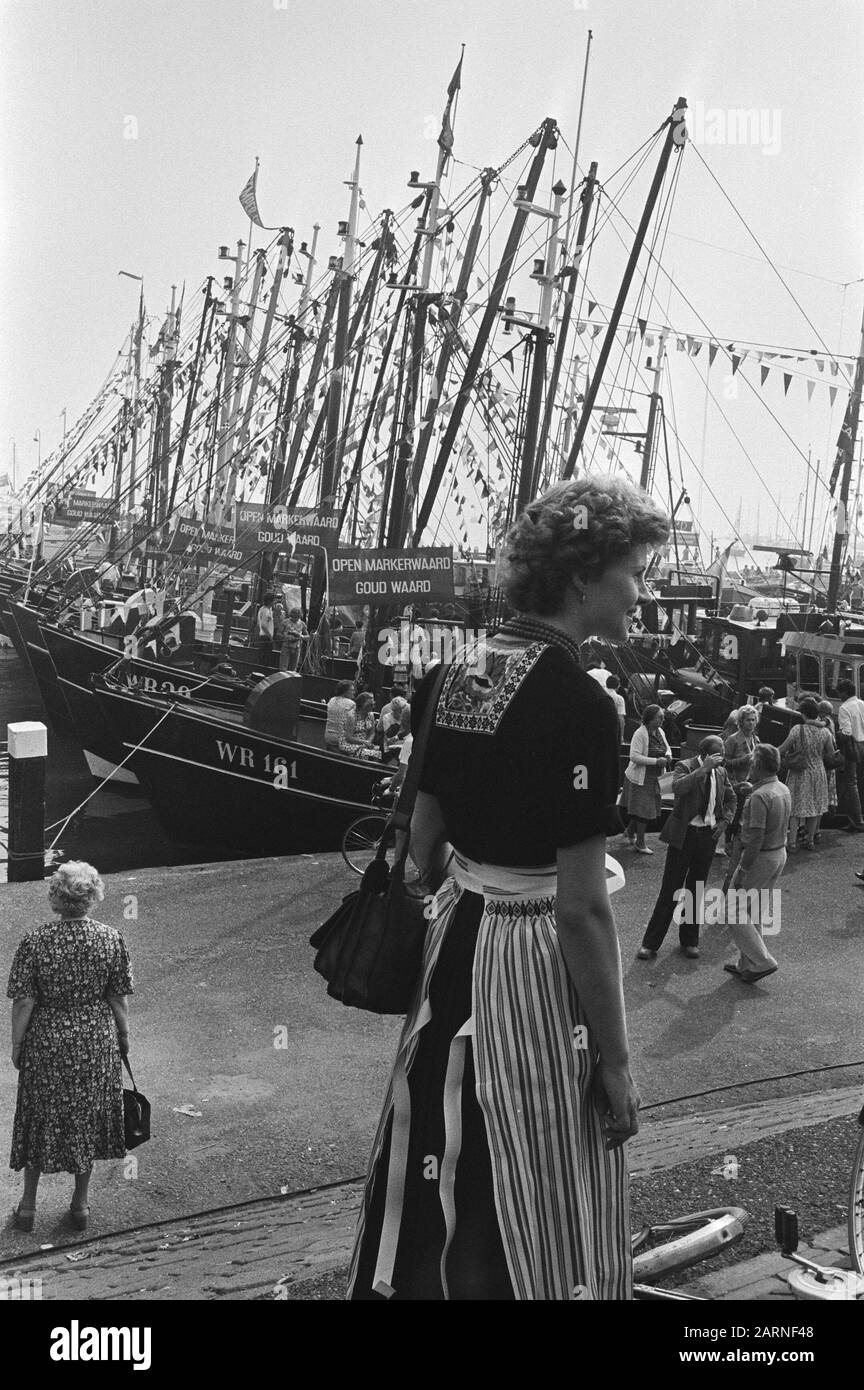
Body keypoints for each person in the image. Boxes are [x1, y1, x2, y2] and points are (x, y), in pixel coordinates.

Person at [349, 473, 669, 1301]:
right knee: (539, 1155)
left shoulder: (450, 675)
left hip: (453, 944)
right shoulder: (581, 705)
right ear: (581, 576)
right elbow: (583, 908)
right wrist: (619, 1062)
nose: (642, 590)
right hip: (528, 960)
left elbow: (424, 847)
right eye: (633, 570)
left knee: (435, 1135)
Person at [7, 862, 133, 1233]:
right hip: (95, 1039)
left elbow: (24, 1002)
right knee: (86, 1118)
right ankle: (79, 1206)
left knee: (39, 1114)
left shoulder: (36, 941)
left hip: (47, 1039)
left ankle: (28, 1206)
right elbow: (117, 997)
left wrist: (17, 1043)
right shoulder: (111, 939)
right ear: (93, 897)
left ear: (55, 897)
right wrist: (122, 1038)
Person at [637, 735, 736, 961]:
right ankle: (650, 943)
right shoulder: (686, 766)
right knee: (670, 888)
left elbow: (731, 799)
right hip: (685, 835)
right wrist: (703, 770)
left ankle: (689, 940)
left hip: (707, 836)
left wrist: (725, 821)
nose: (722, 758)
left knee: (696, 888)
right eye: (718, 753)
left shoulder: (721, 772)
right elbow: (677, 788)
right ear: (706, 754)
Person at [723, 744, 791, 983]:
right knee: (753, 911)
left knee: (732, 910)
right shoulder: (780, 788)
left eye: (753, 763)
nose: (750, 766)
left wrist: (742, 870)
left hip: (760, 857)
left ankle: (762, 961)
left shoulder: (760, 796)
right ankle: (747, 963)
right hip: (778, 853)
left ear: (758, 766)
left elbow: (755, 838)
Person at [777, 697, 834, 851]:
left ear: (803, 714)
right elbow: (830, 754)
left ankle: (792, 842)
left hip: (799, 772)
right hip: (818, 772)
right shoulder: (825, 732)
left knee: (795, 808)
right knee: (815, 807)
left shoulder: (797, 729)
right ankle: (810, 840)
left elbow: (782, 749)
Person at [620, 705, 671, 854]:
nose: (662, 720)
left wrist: (668, 755)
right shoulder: (640, 733)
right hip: (641, 778)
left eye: (662, 717)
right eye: (659, 717)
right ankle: (640, 843)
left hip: (656, 777)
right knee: (644, 810)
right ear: (650, 719)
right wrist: (656, 761)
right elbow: (634, 756)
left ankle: (629, 831)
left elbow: (667, 747)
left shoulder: (660, 731)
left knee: (642, 808)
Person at [836, 679, 864, 830]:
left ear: (845, 693)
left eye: (839, 693)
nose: (839, 695)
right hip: (863, 744)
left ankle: (857, 821)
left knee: (851, 784)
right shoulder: (862, 703)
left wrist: (836, 734)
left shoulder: (844, 708)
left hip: (853, 749)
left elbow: (846, 733)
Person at [339, 691, 380, 758]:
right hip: (349, 743)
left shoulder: (371, 715)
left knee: (380, 752)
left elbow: (372, 733)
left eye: (373, 704)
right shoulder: (351, 716)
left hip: (364, 743)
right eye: (370, 705)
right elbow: (349, 737)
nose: (373, 707)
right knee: (372, 754)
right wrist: (364, 742)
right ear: (362, 705)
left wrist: (368, 742)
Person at [724, 706, 759, 782]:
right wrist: (741, 761)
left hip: (750, 783)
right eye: (748, 720)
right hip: (733, 782)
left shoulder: (756, 740)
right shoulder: (732, 739)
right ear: (741, 721)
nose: (751, 723)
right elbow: (723, 763)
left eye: (753, 720)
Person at [324, 680, 355, 750]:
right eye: (352, 690)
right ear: (345, 691)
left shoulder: (331, 700)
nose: (354, 693)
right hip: (341, 740)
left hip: (328, 737)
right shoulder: (351, 704)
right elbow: (352, 725)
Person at [279, 608, 309, 673]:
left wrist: (301, 636)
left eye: (297, 617)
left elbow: (307, 637)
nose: (295, 618)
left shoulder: (302, 624)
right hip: (286, 647)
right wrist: (286, 637)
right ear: (291, 615)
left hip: (297, 648)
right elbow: (278, 634)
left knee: (293, 669)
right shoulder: (285, 622)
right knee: (283, 668)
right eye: (293, 617)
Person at [256, 592, 275, 667]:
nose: (275, 602)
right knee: (265, 658)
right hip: (266, 637)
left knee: (265, 657)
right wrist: (270, 636)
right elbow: (263, 625)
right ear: (270, 601)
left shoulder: (265, 609)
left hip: (265, 636)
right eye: (274, 601)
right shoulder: (265, 611)